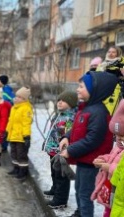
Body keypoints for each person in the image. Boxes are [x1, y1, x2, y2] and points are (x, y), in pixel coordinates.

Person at [59, 71, 118, 217]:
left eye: (81, 86)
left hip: (91, 162)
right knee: (79, 189)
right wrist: (67, 137)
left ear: (94, 90)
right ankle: (80, 212)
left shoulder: (98, 113)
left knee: (85, 194)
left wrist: (71, 150)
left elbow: (93, 139)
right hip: (83, 159)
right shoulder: (86, 108)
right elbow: (77, 129)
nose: (77, 89)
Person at [43, 90, 78, 209]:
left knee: (61, 176)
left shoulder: (71, 117)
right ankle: (54, 189)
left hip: (62, 152)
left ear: (71, 103)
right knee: (54, 172)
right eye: (59, 100)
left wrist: (65, 150)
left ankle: (60, 199)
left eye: (64, 100)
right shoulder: (59, 114)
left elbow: (69, 135)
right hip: (53, 149)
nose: (60, 102)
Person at [91, 99, 124, 217]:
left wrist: (109, 167)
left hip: (119, 195)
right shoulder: (119, 148)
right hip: (111, 192)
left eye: (123, 135)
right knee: (107, 212)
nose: (119, 139)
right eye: (117, 135)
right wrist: (103, 159)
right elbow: (112, 156)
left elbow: (121, 171)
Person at [6, 87, 33, 180]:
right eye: (16, 96)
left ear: (24, 99)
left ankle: (23, 171)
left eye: (19, 97)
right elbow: (10, 121)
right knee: (13, 153)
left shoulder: (26, 109)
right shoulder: (14, 107)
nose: (16, 98)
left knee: (21, 155)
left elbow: (26, 124)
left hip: (21, 137)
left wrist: (26, 136)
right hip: (13, 135)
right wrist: (7, 131)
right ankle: (16, 168)